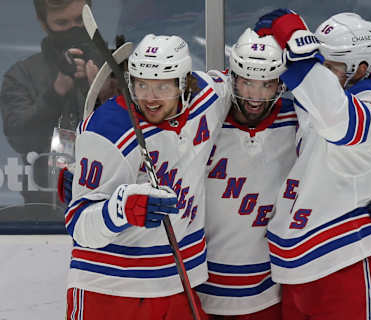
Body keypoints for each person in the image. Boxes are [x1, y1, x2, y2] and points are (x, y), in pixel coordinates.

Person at [253, 9, 371, 319]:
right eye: (319, 66)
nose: (321, 74)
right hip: (291, 267)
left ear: (361, 68)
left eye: (330, 67)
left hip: (347, 258)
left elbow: (337, 121)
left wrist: (299, 51)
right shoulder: (316, 95)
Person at [63, 33, 230, 319]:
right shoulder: (105, 131)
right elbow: (78, 224)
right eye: (141, 84)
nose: (150, 98)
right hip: (110, 290)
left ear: (184, 84)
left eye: (162, 87)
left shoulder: (209, 96)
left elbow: (241, 80)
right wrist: (120, 209)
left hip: (178, 283)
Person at [195, 29, 297, 319]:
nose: (255, 95)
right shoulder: (203, 119)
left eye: (266, 84)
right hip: (199, 288)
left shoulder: (299, 121)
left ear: (279, 84)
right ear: (233, 77)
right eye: (247, 82)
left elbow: (348, 161)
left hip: (269, 292)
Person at [0, 0, 112, 216]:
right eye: (62, 23)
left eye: (80, 20)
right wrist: (57, 92)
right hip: (44, 208)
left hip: (111, 201)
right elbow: (19, 138)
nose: (73, 28)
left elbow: (146, 132)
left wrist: (106, 93)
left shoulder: (116, 67)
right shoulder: (22, 75)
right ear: (43, 23)